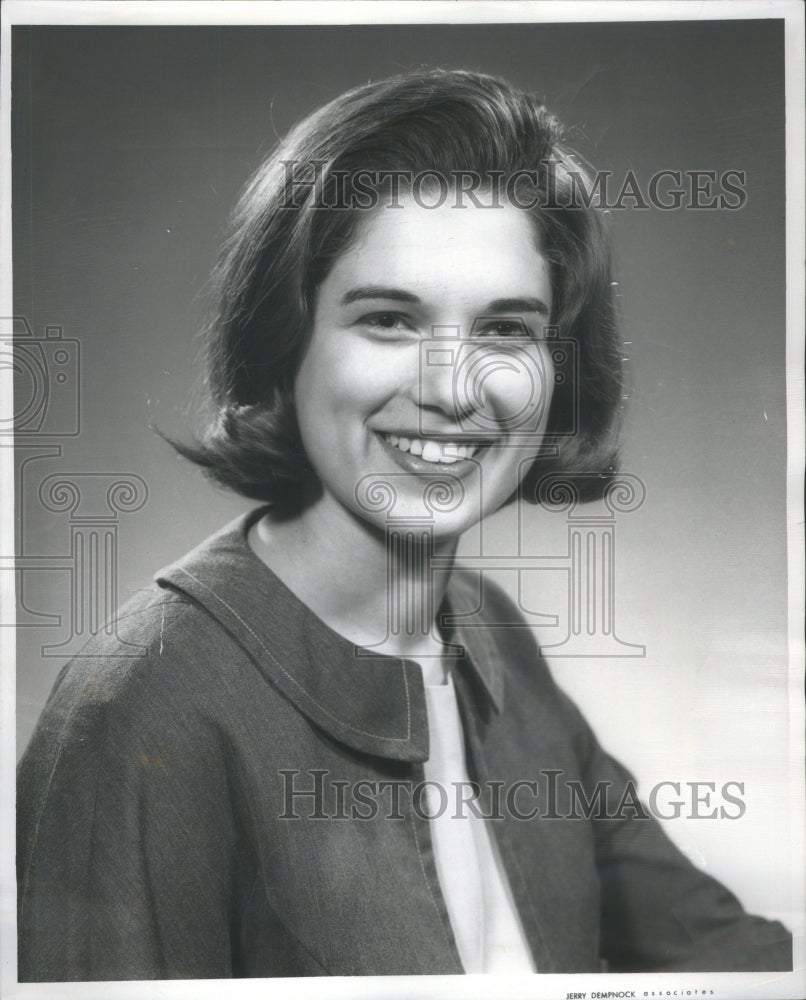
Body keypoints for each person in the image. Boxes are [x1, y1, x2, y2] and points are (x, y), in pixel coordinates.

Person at [16, 69, 792, 980]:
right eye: (388, 319)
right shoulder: (138, 710)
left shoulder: (494, 642)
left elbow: (722, 956)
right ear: (286, 339)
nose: (454, 388)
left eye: (505, 330)